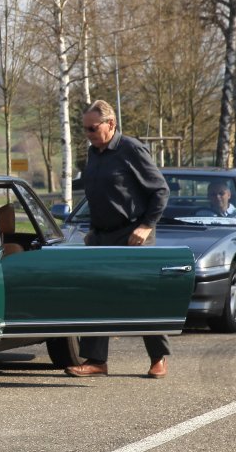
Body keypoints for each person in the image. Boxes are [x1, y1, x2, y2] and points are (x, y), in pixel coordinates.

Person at [69, 99, 172, 379]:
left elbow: (160, 190)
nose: (88, 134)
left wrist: (147, 225)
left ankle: (158, 358)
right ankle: (96, 360)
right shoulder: (94, 153)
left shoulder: (131, 149)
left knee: (142, 296)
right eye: (85, 129)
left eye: (92, 128)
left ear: (110, 124)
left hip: (133, 235)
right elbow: (98, 195)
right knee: (97, 294)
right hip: (102, 236)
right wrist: (94, 229)